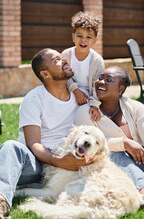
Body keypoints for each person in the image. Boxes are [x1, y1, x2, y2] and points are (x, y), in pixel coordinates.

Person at [0, 48, 91, 218]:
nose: (64, 60)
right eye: (57, 60)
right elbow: (33, 143)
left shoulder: (81, 97)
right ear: (45, 74)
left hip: (67, 161)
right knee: (10, 147)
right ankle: (2, 201)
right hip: (36, 163)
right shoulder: (33, 99)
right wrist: (58, 161)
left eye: (62, 57)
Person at [75, 66, 144, 197]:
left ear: (121, 88)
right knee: (113, 155)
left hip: (141, 157)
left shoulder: (135, 107)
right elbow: (91, 145)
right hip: (110, 162)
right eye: (100, 78)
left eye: (108, 79)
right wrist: (124, 143)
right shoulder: (85, 112)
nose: (101, 82)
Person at [62, 11, 105, 122]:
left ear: (95, 40)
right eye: (79, 35)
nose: (83, 40)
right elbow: (64, 76)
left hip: (89, 95)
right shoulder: (66, 55)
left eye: (89, 37)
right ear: (73, 37)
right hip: (70, 90)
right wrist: (75, 90)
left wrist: (95, 105)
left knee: (86, 113)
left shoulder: (97, 61)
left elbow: (99, 85)